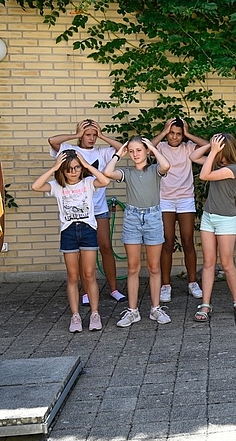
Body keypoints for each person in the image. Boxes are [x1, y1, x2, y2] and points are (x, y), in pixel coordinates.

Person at [49, 119, 127, 302]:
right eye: (88, 134)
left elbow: (123, 149)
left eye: (94, 135)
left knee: (106, 246)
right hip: (79, 213)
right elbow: (53, 140)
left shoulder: (102, 151)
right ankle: (85, 292)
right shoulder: (70, 149)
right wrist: (76, 135)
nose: (91, 138)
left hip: (99, 209)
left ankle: (114, 289)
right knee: (83, 252)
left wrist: (102, 136)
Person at [32, 151, 110, 332]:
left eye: (77, 167)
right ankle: (75, 316)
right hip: (68, 232)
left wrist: (87, 165)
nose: (74, 172)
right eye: (69, 169)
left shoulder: (88, 183)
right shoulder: (57, 186)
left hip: (88, 230)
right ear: (63, 171)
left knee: (89, 274)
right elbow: (35, 186)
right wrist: (53, 167)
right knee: (73, 276)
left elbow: (105, 181)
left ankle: (94, 313)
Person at [104, 137, 171, 327]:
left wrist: (151, 147)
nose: (135, 154)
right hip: (132, 218)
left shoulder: (154, 170)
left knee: (154, 266)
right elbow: (107, 172)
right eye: (131, 151)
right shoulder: (127, 172)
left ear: (147, 151)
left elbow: (166, 165)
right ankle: (133, 311)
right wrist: (119, 153)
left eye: (139, 150)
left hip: (153, 217)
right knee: (133, 267)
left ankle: (155, 308)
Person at [190, 134, 236, 322]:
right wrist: (210, 147)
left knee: (227, 264)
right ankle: (205, 304)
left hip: (226, 220)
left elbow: (204, 175)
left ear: (225, 149)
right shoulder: (217, 165)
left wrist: (214, 151)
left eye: (218, 147)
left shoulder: (233, 169)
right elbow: (193, 158)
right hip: (209, 218)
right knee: (209, 263)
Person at [151, 118, 209, 302]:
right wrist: (162, 132)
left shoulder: (188, 147)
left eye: (178, 134)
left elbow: (208, 146)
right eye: (171, 133)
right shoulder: (160, 146)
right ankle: (165, 285)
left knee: (188, 241)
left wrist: (188, 134)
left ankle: (193, 282)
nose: (175, 137)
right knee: (167, 242)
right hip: (165, 199)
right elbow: (145, 149)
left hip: (185, 199)